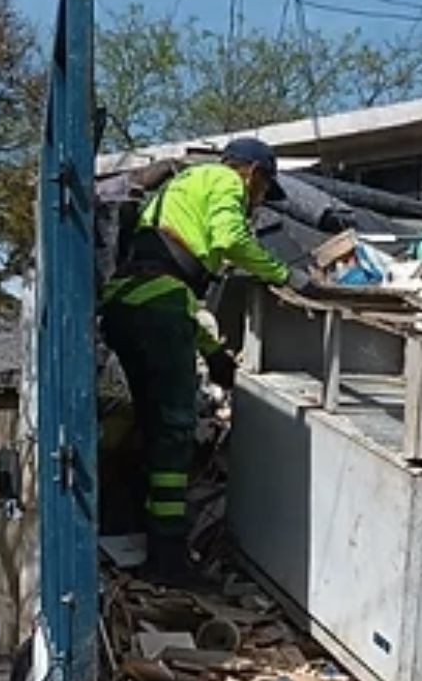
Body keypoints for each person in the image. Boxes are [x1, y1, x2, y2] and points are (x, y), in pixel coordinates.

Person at [99, 137, 316, 586]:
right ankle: (168, 559)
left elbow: (167, 293)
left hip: (128, 305)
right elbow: (230, 239)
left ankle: (142, 538)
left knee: (153, 426)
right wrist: (285, 275)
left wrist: (213, 352)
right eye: (261, 194)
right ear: (253, 174)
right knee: (174, 432)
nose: (257, 206)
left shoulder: (178, 190)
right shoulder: (223, 180)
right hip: (156, 308)